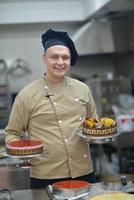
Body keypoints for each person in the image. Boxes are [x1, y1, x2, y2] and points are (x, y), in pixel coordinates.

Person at [5, 28, 98, 189]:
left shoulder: (83, 89)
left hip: (84, 171)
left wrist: (97, 133)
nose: (60, 62)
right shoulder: (27, 95)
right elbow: (12, 133)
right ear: (44, 59)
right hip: (46, 175)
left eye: (65, 58)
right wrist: (23, 153)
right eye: (54, 57)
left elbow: (93, 123)